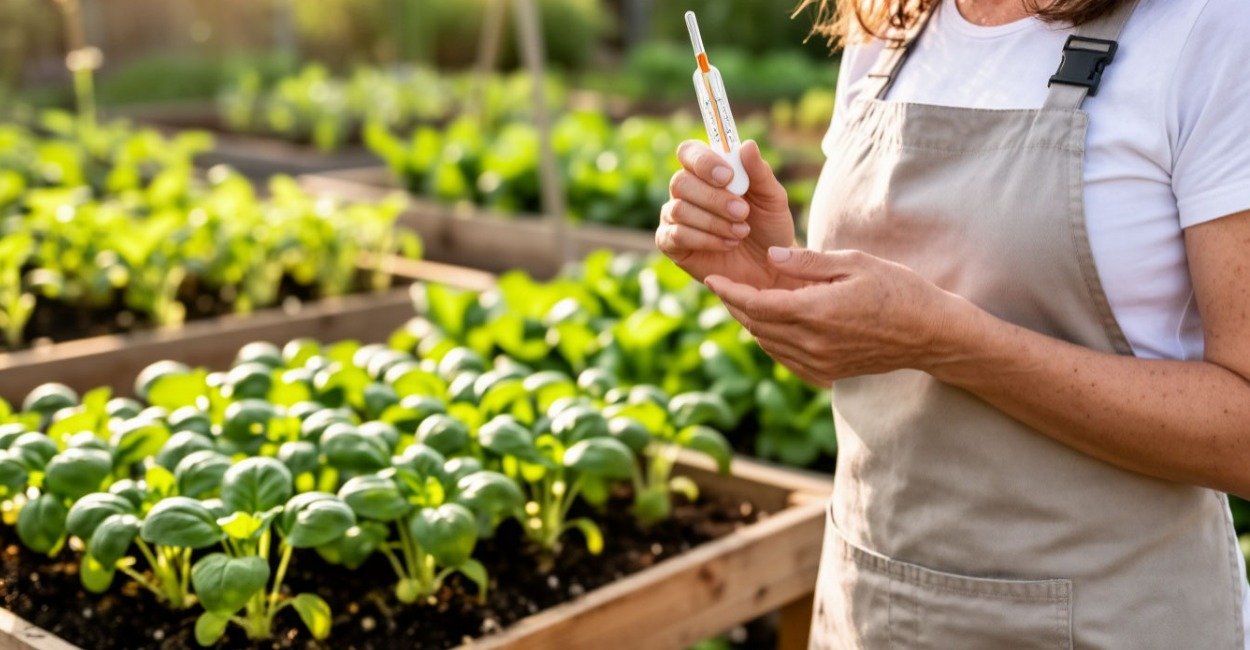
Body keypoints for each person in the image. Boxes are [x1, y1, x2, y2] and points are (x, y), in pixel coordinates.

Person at [656, 0, 1250, 646]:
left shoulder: (1209, 28)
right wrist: (774, 282)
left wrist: (952, 342)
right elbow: (871, 366)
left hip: (1110, 619)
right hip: (870, 608)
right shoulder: (893, 27)